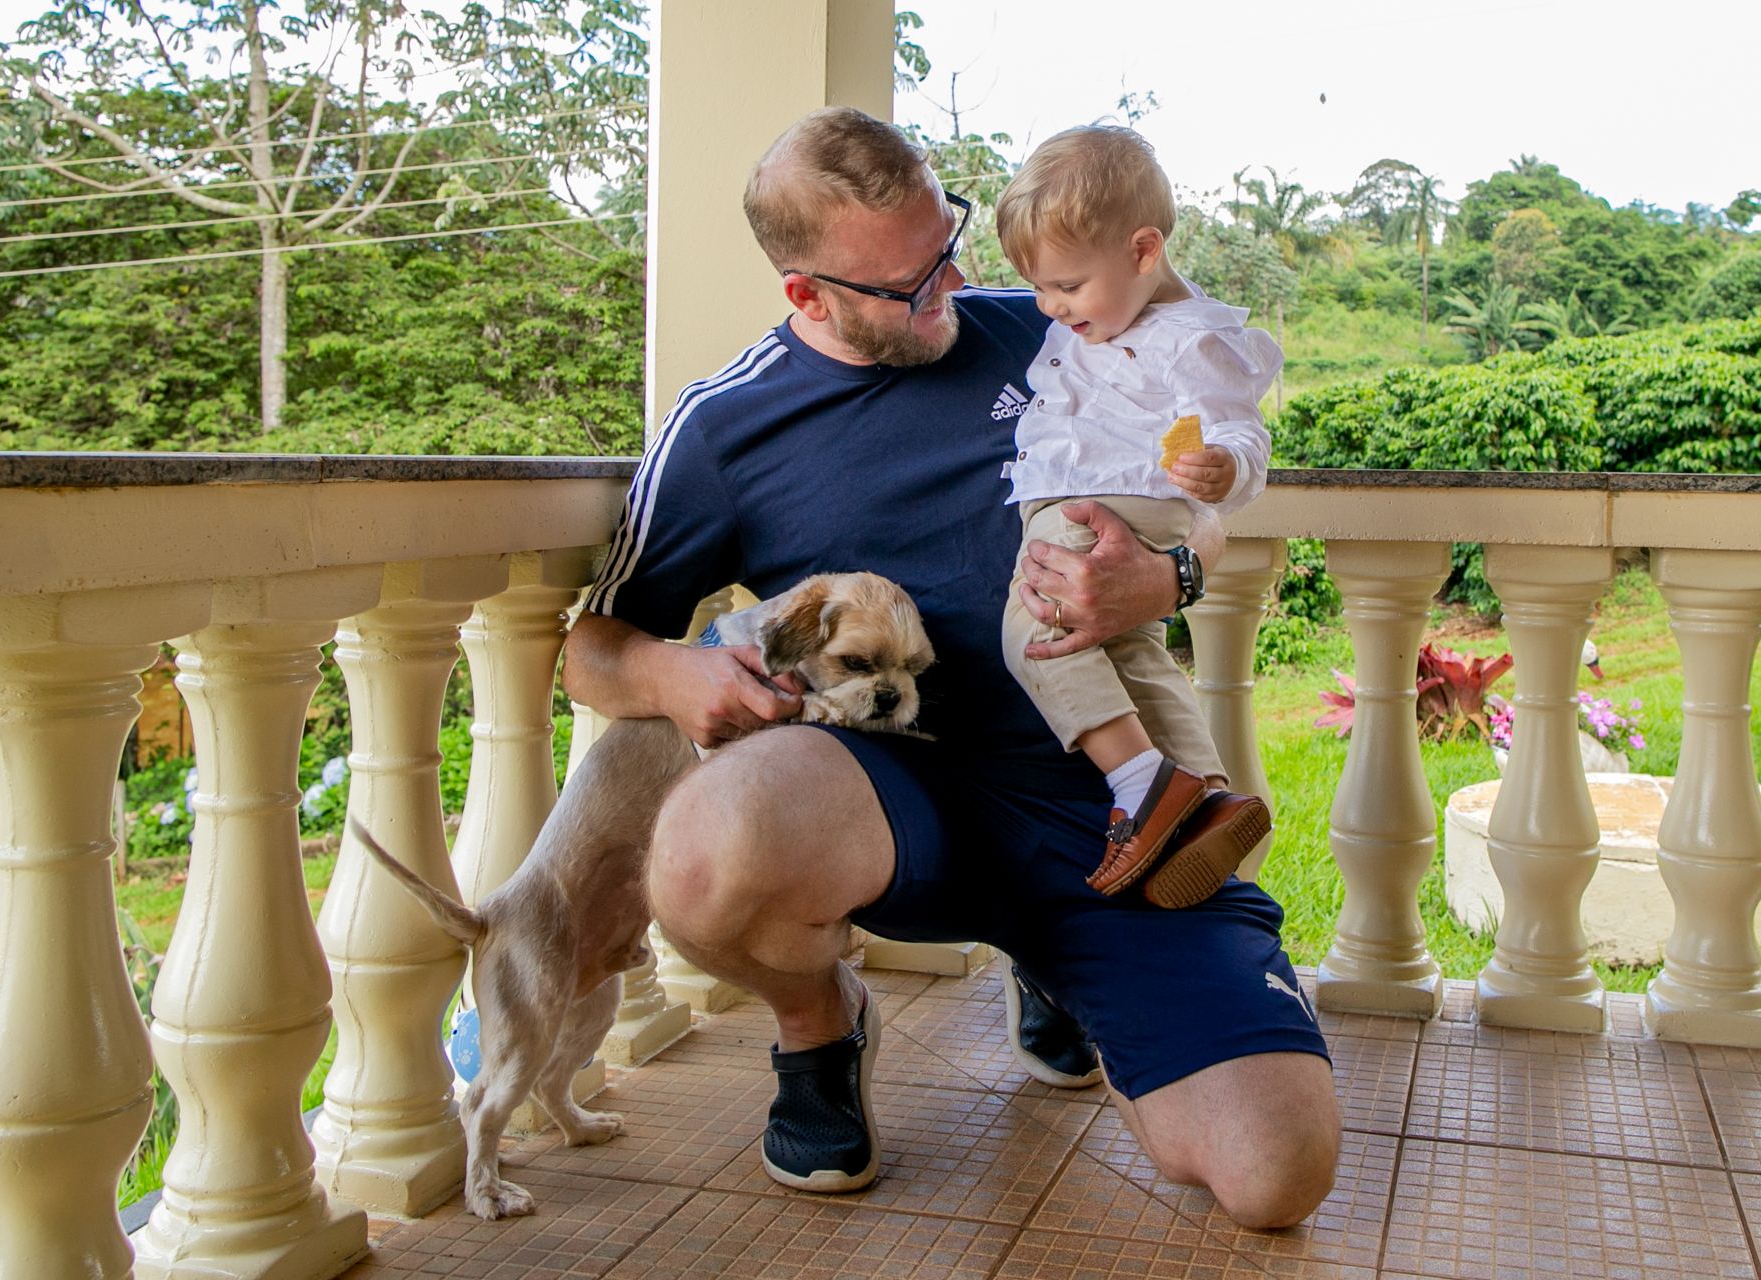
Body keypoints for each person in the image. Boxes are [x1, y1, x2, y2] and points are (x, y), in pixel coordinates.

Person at [562, 106, 1338, 1228]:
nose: (957, 280)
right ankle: (819, 1026)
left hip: (1107, 801)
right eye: (909, 281)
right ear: (808, 293)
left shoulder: (1055, 326)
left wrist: (1167, 572)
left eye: (949, 240)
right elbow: (593, 647)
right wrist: (680, 678)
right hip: (886, 792)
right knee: (701, 855)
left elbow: (1195, 478)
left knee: (1278, 1170)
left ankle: (1069, 968)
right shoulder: (723, 428)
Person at [993, 124, 1283, 909]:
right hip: (1106, 500)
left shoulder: (1189, 338)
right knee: (1134, 658)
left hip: (1107, 500)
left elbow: (1239, 429)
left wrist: (1223, 468)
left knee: (1036, 627)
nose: (1052, 307)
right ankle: (1212, 803)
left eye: (1067, 286)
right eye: (1039, 289)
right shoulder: (1109, 310)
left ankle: (1140, 782)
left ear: (1145, 250)